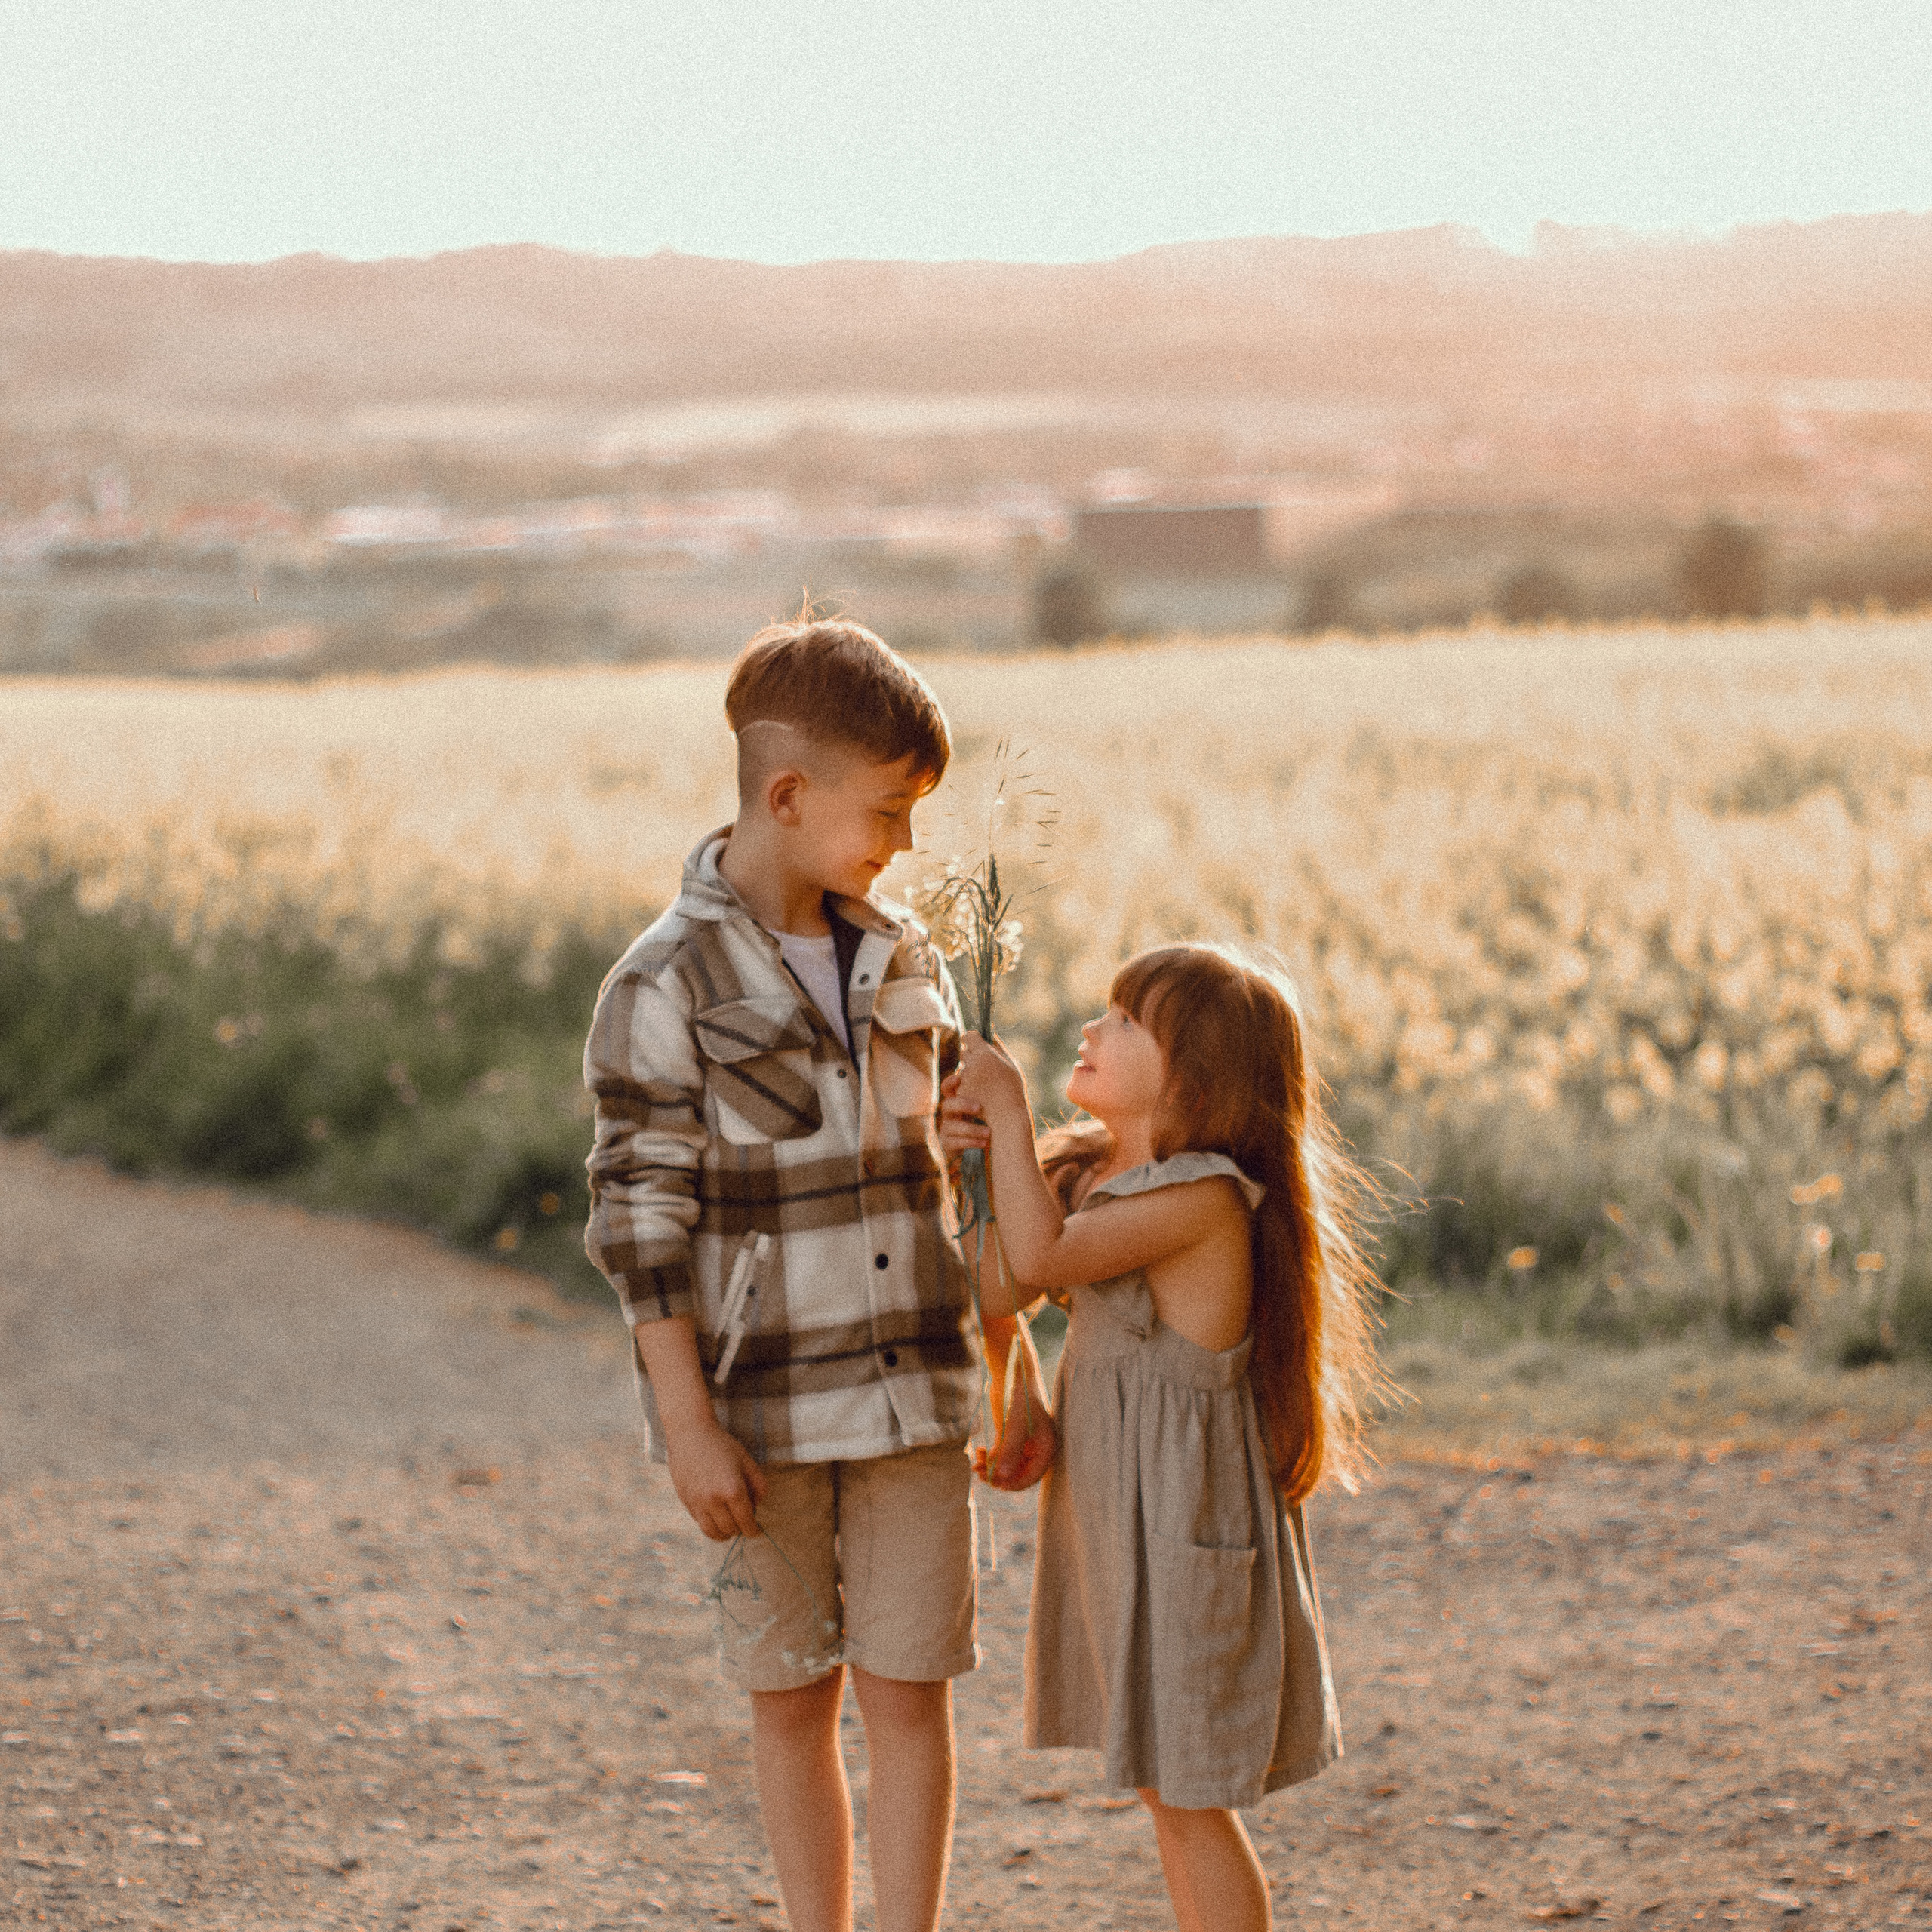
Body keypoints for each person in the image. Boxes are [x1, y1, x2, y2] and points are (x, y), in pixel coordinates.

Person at [583, 616, 981, 1932]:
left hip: (919, 1392)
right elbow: (639, 1220)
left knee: (911, 1691)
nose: (906, 846)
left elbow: (954, 1179)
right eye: (889, 810)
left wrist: (1013, 1367)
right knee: (791, 1696)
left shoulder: (909, 962)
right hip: (756, 1416)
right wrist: (686, 1425)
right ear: (788, 794)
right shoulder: (662, 982)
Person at [943, 943, 1381, 1932]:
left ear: (1199, 1073)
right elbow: (1002, 1283)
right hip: (1118, 1516)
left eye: (1128, 1021)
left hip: (1185, 1529)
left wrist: (1006, 1113)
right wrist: (968, 1158)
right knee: (1163, 1793)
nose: (1094, 1031)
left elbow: (1044, 1253)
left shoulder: (1207, 1198)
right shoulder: (1093, 1170)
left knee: (1189, 1799)